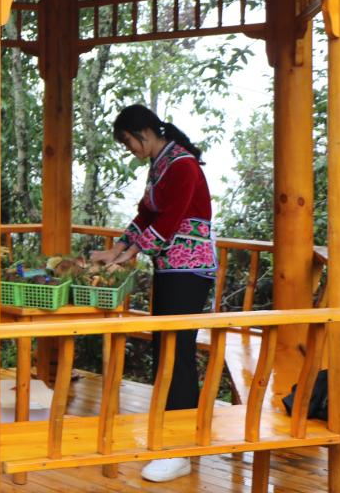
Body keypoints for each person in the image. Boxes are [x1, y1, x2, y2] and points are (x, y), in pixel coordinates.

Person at [90, 104, 216, 483]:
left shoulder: (182, 165)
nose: (129, 149)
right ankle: (174, 441)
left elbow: (169, 222)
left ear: (143, 133)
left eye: (128, 141)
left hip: (188, 271)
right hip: (171, 269)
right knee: (166, 350)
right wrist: (118, 248)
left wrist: (128, 255)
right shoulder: (161, 164)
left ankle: (180, 450)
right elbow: (146, 215)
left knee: (178, 353)